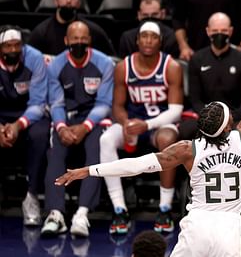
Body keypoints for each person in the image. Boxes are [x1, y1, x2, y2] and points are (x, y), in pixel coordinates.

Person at [54, 24, 241, 257]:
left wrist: (89, 170)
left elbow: (137, 165)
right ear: (228, 123)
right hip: (228, 227)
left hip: (196, 225)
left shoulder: (186, 149)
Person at [99, 21, 184, 235]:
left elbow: (176, 110)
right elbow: (117, 106)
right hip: (133, 123)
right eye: (143, 36)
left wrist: (146, 125)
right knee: (106, 139)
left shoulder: (171, 67)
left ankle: (164, 208)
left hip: (160, 123)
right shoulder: (123, 67)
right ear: (137, 40)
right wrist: (126, 123)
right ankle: (119, 209)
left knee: (167, 140)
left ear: (160, 41)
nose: (148, 40)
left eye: (153, 37)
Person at [41, 21, 114, 237]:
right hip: (66, 120)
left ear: (89, 40)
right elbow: (56, 102)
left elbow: (104, 103)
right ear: (66, 41)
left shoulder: (104, 63)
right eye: (75, 39)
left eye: (83, 39)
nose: (79, 43)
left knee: (95, 153)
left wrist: (86, 126)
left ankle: (82, 215)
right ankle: (55, 214)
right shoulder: (55, 65)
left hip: (94, 120)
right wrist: (62, 127)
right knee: (55, 153)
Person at [0, 26, 50, 227]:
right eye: (8, 46)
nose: (13, 50)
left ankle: (32, 196)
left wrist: (18, 125)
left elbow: (39, 102)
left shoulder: (34, 58)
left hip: (28, 115)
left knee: (41, 133)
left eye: (17, 45)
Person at [178, 12, 241, 140]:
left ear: (230, 31)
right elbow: (195, 99)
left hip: (234, 117)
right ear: (208, 31)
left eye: (224, 30)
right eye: (215, 30)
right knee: (186, 130)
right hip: (205, 115)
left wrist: (228, 119)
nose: (219, 34)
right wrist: (209, 118)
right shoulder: (197, 59)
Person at [27, 0, 115, 56]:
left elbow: (111, 60)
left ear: (79, 3)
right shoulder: (41, 32)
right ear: (56, 1)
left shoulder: (93, 31)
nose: (68, 0)